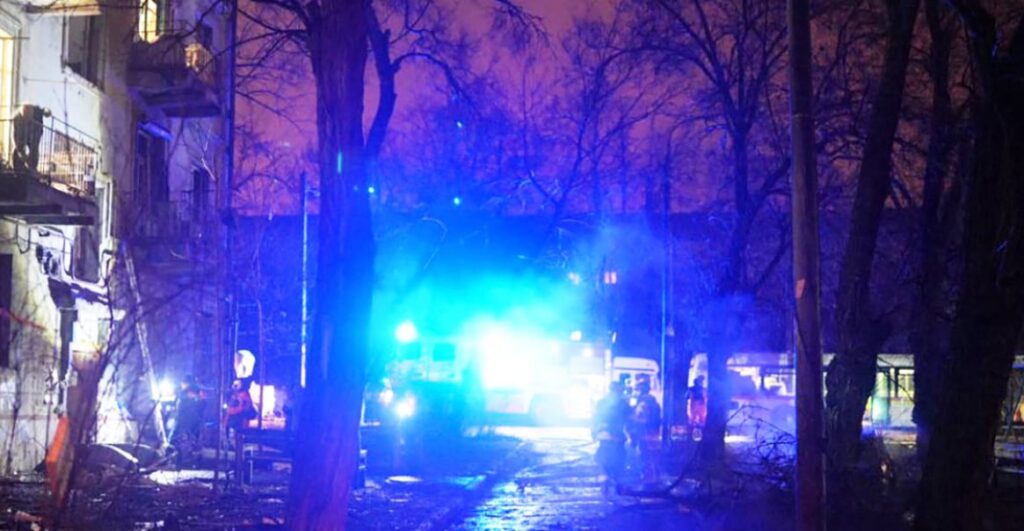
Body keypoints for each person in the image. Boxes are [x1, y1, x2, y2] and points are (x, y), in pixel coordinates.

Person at [592, 381, 630, 493]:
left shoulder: (601, 402)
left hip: (604, 437)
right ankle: (616, 484)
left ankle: (605, 483)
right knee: (618, 461)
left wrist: (594, 432)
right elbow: (630, 419)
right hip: (617, 438)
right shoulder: (623, 404)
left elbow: (596, 418)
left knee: (603, 460)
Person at [630, 374, 662, 487]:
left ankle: (649, 479)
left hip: (645, 433)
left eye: (637, 390)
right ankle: (655, 477)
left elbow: (639, 418)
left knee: (645, 455)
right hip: (654, 433)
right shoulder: (654, 402)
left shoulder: (643, 403)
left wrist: (631, 419)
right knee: (653, 455)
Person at [170, 375, 204, 467]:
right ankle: (185, 461)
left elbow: (186, 409)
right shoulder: (189, 393)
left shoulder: (187, 394)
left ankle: (181, 461)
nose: (182, 384)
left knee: (179, 440)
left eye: (183, 383)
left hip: (185, 422)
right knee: (186, 441)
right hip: (188, 421)